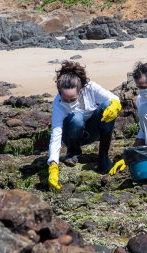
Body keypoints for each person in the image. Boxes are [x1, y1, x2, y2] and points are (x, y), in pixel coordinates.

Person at [48, 61, 122, 190]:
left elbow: (113, 98)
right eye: (65, 99)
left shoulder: (91, 88)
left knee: (107, 106)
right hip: (71, 134)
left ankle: (103, 157)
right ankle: (73, 152)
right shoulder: (58, 104)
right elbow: (56, 133)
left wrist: (115, 105)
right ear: (59, 93)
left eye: (73, 99)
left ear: (80, 90)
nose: (69, 103)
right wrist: (53, 164)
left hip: (93, 131)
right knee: (76, 117)